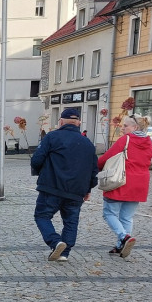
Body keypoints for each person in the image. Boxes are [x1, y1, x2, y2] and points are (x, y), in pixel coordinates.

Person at [30, 107, 98, 262]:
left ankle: (55, 242)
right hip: (76, 191)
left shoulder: (52, 137)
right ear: (78, 123)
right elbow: (93, 170)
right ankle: (64, 253)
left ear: (60, 122)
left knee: (42, 216)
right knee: (71, 221)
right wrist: (88, 189)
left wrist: (42, 173)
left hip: (51, 187)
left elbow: (36, 160)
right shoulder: (88, 144)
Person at [98, 114, 152, 258]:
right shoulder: (148, 142)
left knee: (109, 213)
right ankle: (120, 246)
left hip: (121, 181)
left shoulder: (126, 139)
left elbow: (107, 157)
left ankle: (124, 237)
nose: (122, 128)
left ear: (134, 127)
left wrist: (96, 166)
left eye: (125, 126)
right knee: (127, 217)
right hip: (140, 183)